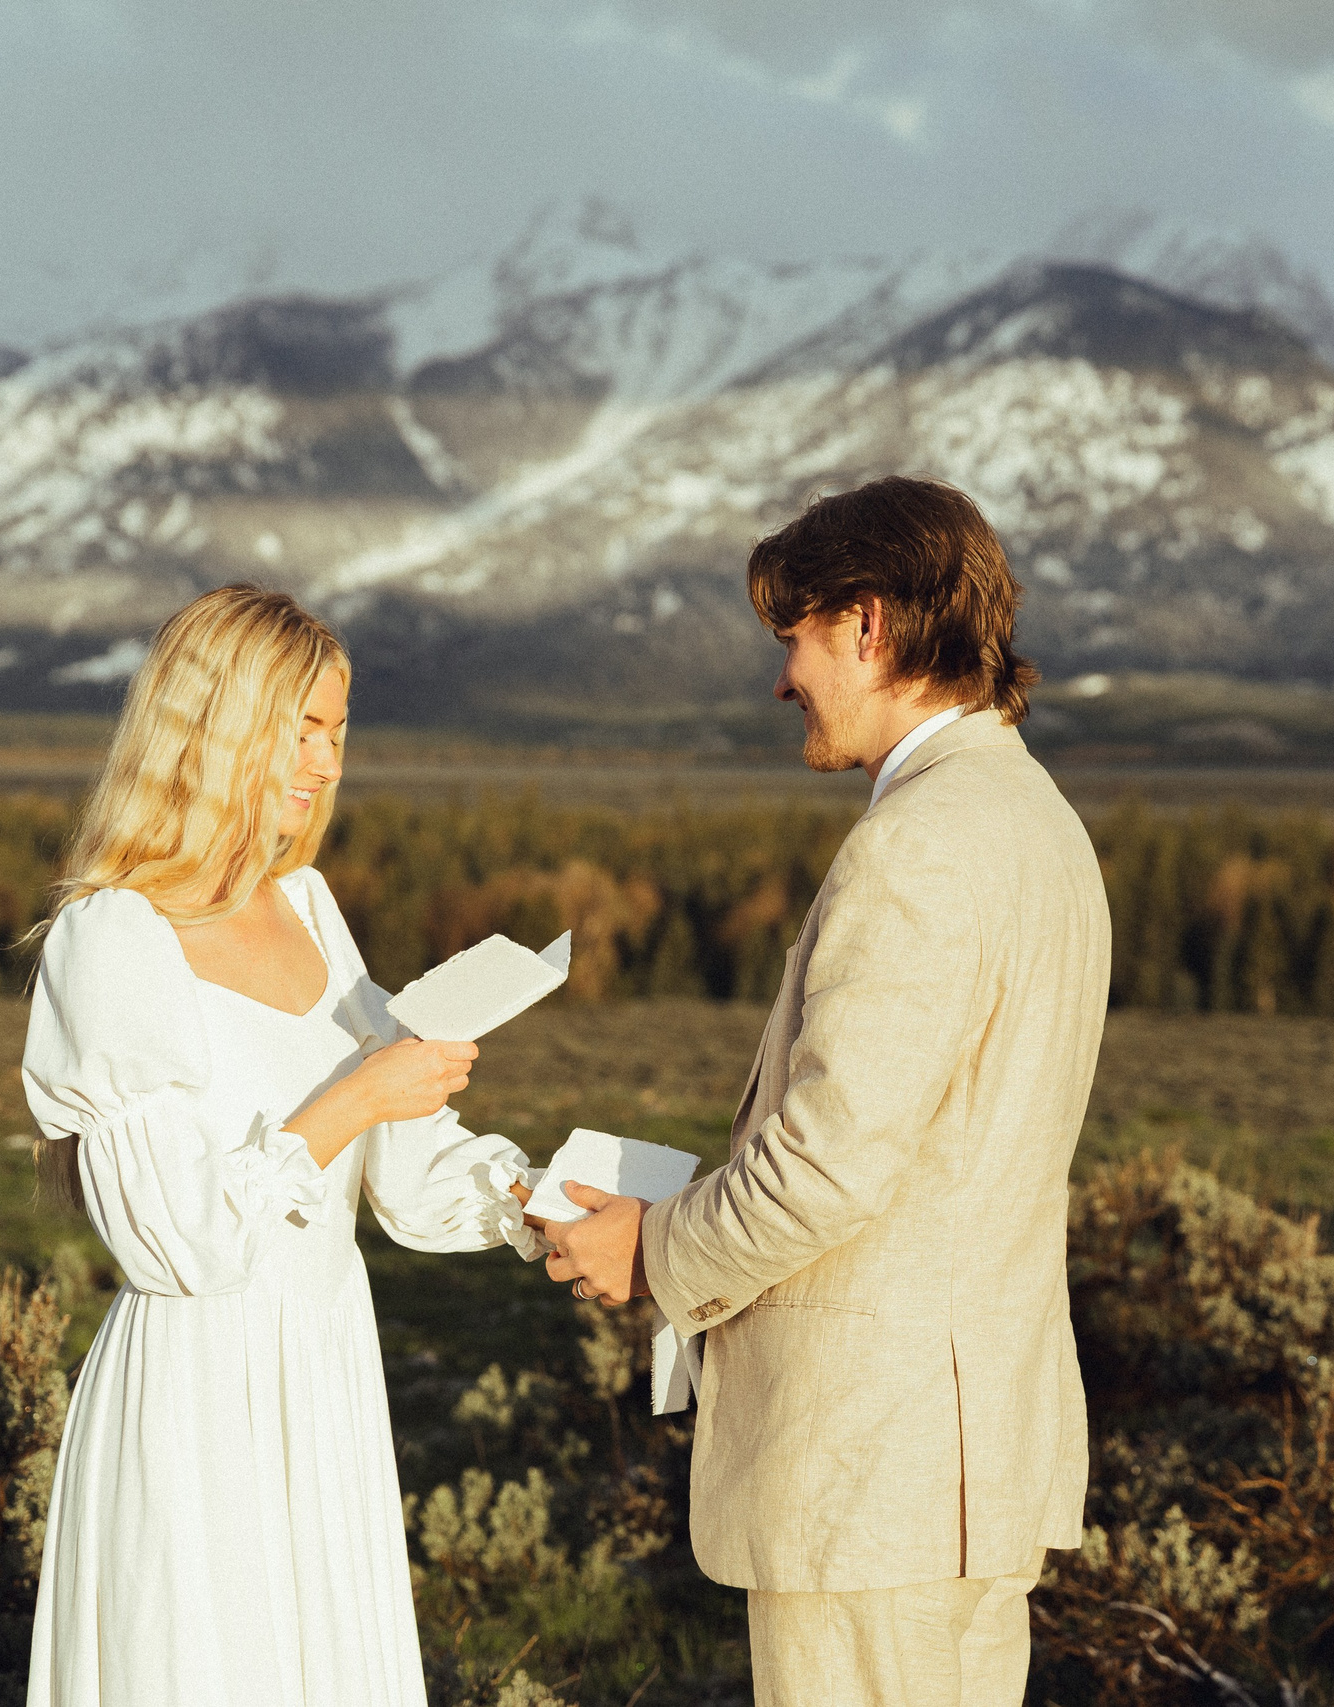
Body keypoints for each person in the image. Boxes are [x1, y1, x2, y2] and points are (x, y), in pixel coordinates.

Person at [536, 477, 1113, 1707]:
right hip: (975, 1460)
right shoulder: (1038, 821)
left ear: (867, 624)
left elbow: (825, 1167)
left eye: (791, 637)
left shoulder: (916, 844)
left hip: (871, 1478)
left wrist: (650, 1249)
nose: (782, 678)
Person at [21, 586, 539, 1706]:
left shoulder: (307, 906)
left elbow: (410, 1174)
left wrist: (549, 1202)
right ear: (211, 729)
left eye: (338, 731)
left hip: (324, 1377)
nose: (325, 762)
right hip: (196, 1398)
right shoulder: (112, 935)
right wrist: (356, 1097)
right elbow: (177, 1244)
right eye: (297, 729)